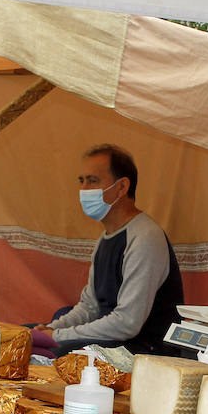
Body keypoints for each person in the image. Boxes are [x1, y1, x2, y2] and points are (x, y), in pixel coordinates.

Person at [38, 144, 184, 357]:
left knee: (56, 353)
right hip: (113, 341)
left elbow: (127, 323)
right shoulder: (106, 239)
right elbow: (90, 307)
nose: (85, 189)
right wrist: (51, 329)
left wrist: (58, 337)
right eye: (82, 181)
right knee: (28, 333)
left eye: (93, 181)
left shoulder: (145, 237)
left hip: (143, 349)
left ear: (122, 186)